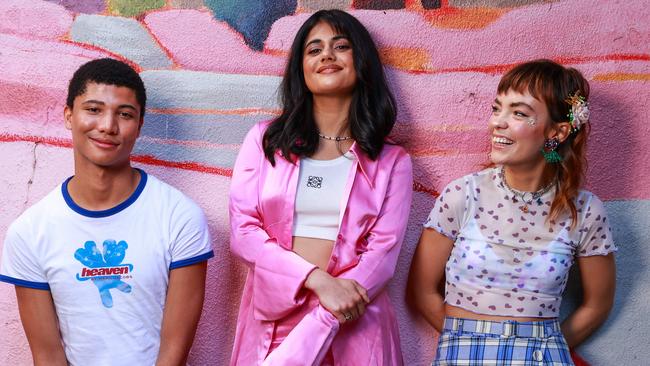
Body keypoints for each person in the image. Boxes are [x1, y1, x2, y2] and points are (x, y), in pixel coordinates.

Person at [0, 58, 214, 365]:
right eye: (93, 109)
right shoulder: (29, 232)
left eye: (124, 114)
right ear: (68, 116)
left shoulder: (180, 217)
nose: (107, 126)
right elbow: (47, 356)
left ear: (139, 126)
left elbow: (173, 353)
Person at [229, 9, 412, 365]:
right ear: (301, 68)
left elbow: (382, 256)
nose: (326, 54)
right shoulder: (264, 141)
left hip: (355, 319)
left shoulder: (393, 161)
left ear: (362, 62)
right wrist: (317, 281)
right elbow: (243, 232)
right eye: (313, 50)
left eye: (340, 46)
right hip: (277, 315)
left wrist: (332, 308)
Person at [408, 59, 616, 365]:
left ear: (557, 132)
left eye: (518, 113)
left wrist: (541, 348)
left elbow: (598, 305)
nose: (497, 122)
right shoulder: (462, 195)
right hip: (462, 354)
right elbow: (422, 291)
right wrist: (468, 340)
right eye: (497, 108)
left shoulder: (584, 211)